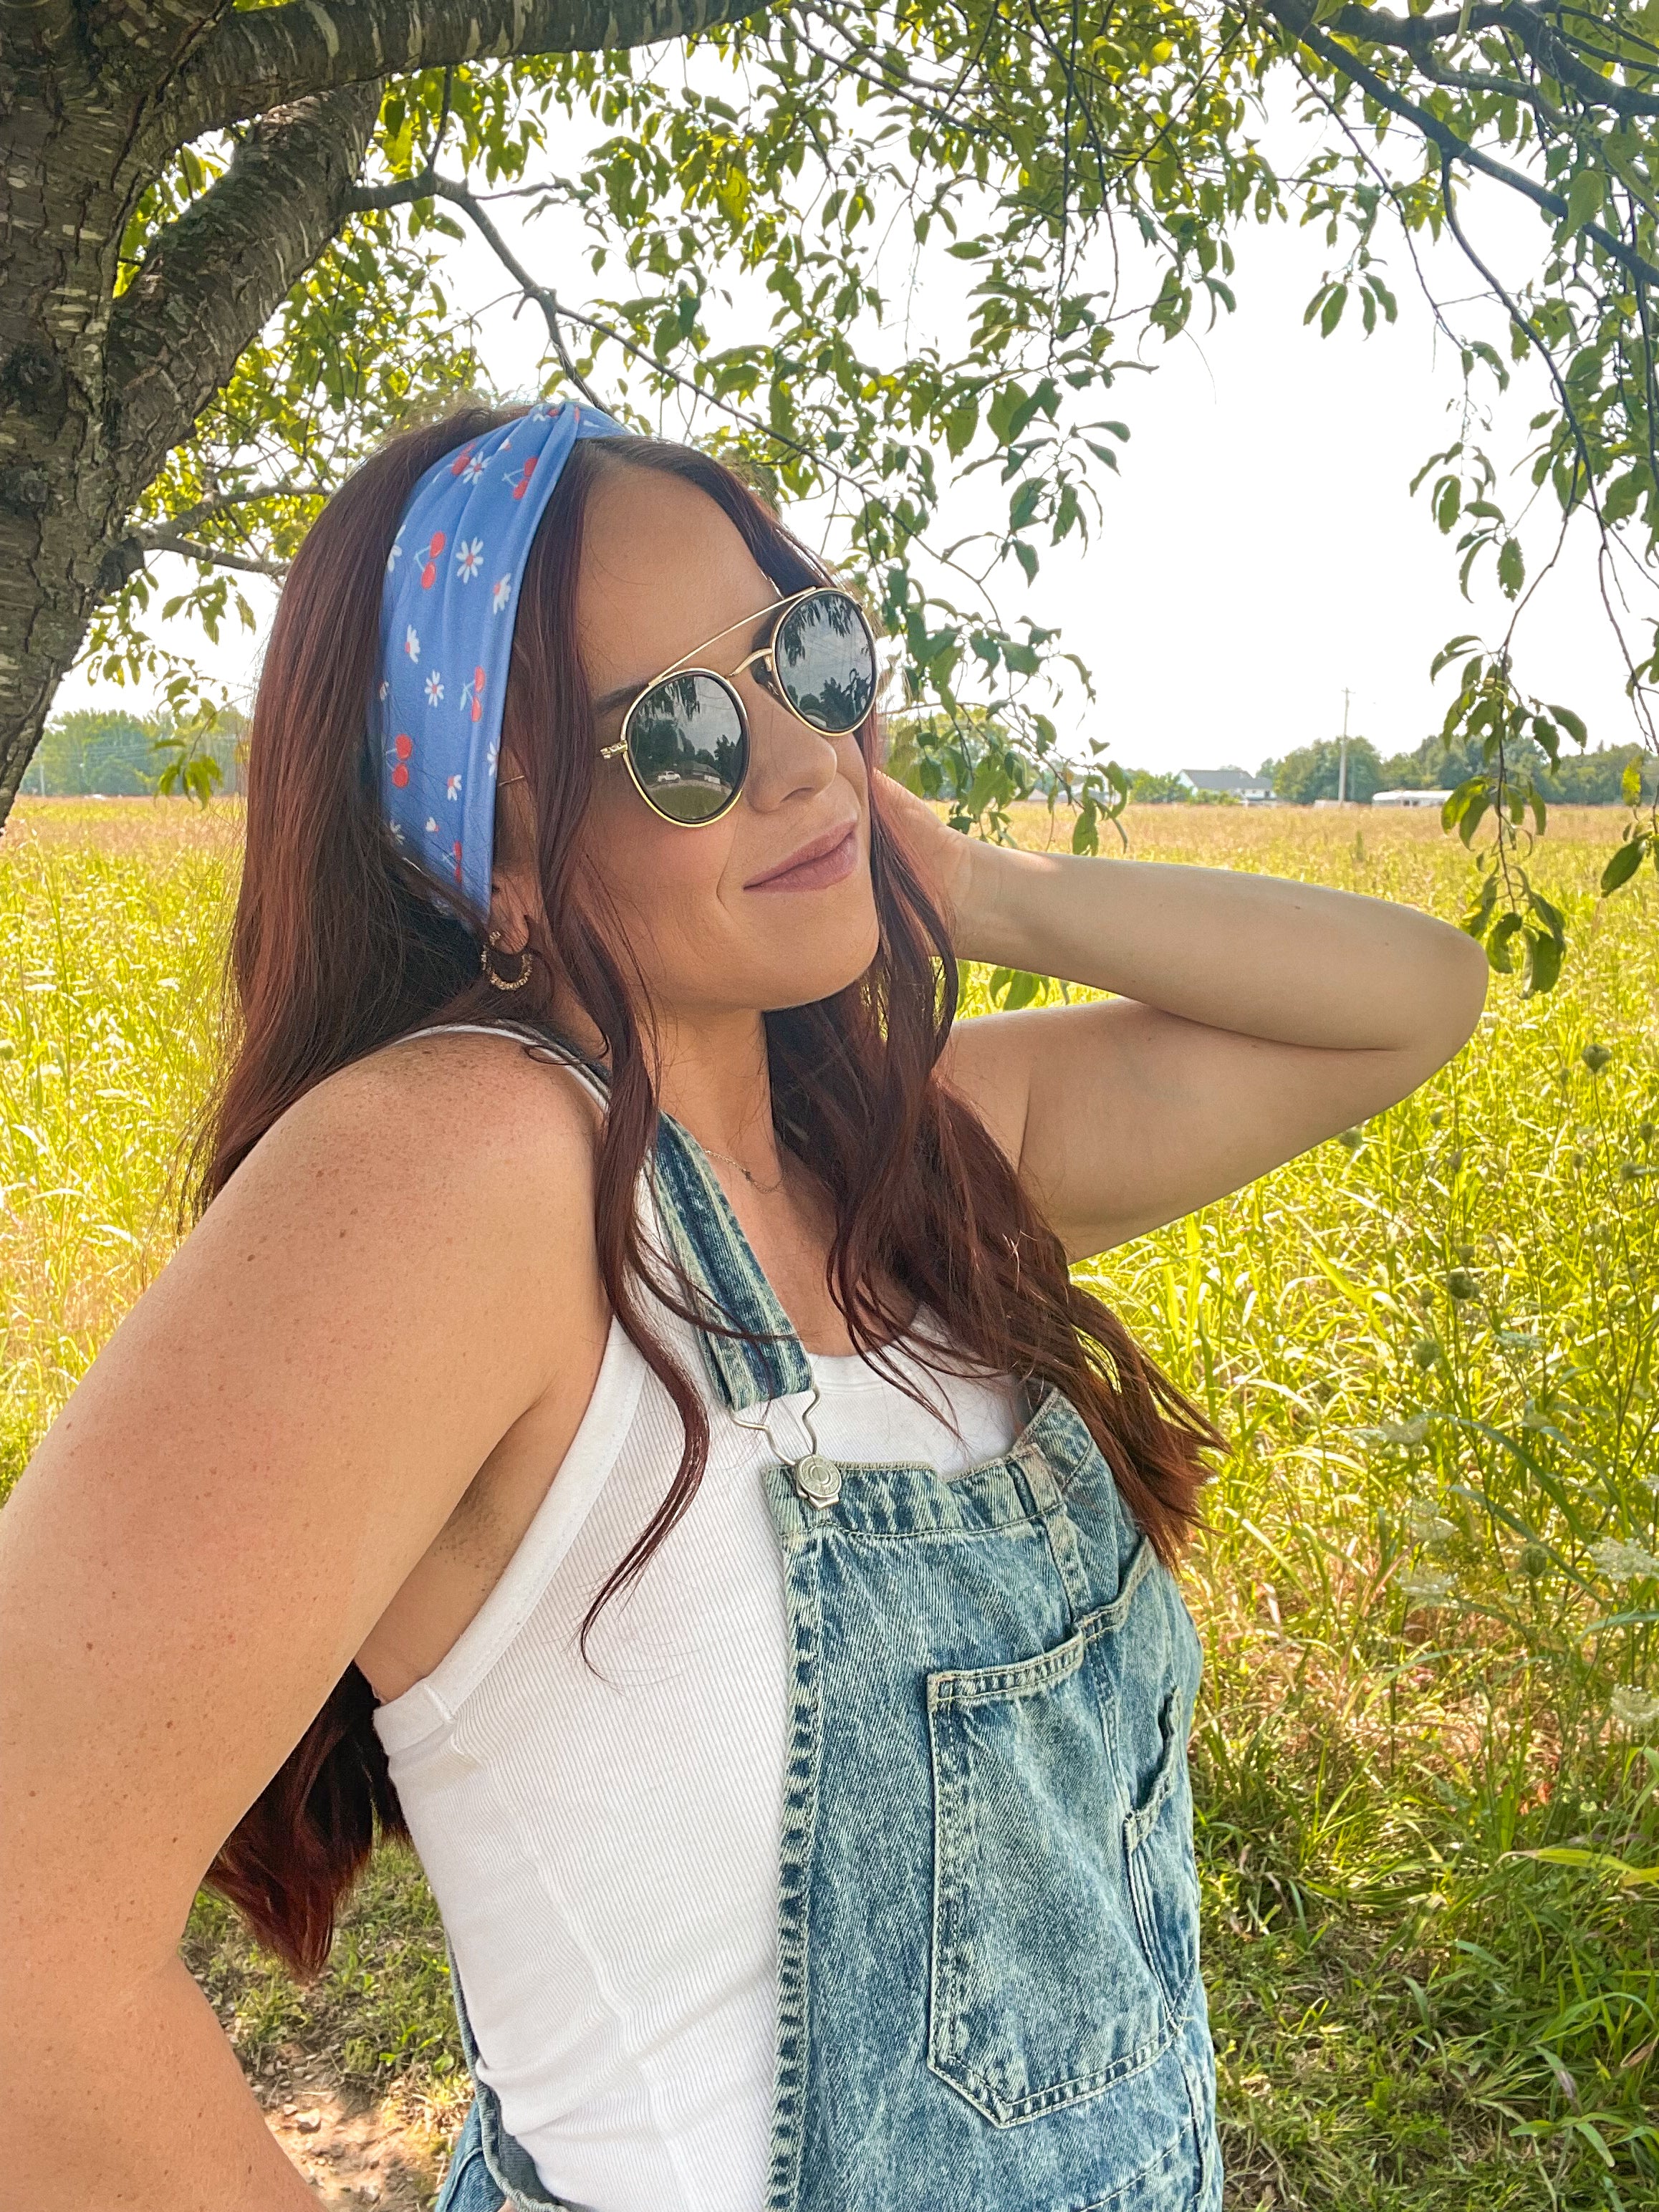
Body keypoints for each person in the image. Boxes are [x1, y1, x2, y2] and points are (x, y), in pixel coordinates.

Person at [0, 400, 1488, 2212]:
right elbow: (27, 1957)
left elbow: (1412, 994)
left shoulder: (908, 1160)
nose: (802, 755)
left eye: (808, 651)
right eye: (687, 732)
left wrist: (979, 881)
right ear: (499, 856)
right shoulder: (467, 1169)